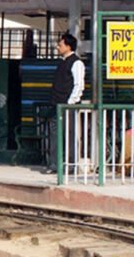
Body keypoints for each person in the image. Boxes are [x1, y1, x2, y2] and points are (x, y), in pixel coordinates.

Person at [46, 33, 85, 174]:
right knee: (55, 135)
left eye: (60, 44)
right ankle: (54, 164)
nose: (58, 47)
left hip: (68, 106)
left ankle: (70, 165)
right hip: (56, 105)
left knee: (70, 135)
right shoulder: (62, 62)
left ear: (68, 46)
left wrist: (70, 103)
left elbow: (78, 85)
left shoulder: (76, 63)